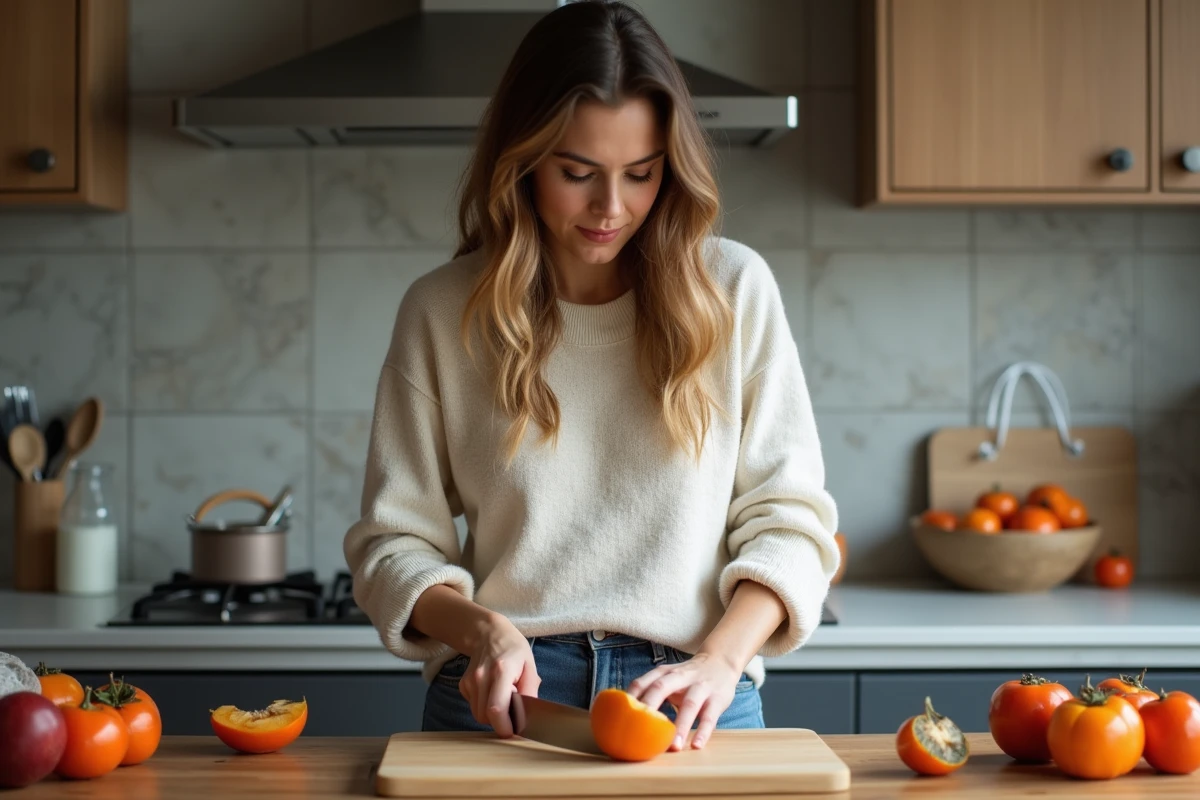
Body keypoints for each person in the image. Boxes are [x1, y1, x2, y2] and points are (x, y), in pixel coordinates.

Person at [343, 0, 839, 752]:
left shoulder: (734, 291)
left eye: (640, 174)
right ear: (523, 162)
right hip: (505, 701)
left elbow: (794, 524)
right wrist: (483, 632)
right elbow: (392, 546)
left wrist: (721, 659)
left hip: (695, 695)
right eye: (578, 173)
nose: (613, 208)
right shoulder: (443, 311)